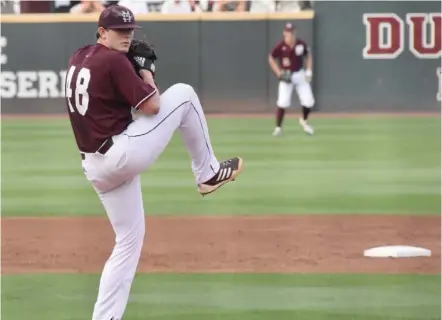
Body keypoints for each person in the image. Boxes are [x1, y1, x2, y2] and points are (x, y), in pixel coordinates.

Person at [64, 5, 244, 320]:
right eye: (120, 31)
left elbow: (109, 97)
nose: (127, 36)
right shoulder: (116, 61)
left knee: (128, 243)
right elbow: (153, 105)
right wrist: (146, 71)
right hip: (120, 155)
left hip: (95, 166)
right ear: (102, 32)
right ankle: (208, 172)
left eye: (130, 30)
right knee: (185, 95)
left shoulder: (80, 56)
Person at [268, 22, 315, 136]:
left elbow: (308, 55)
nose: (289, 35)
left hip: (299, 74)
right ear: (284, 33)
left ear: (294, 33)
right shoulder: (281, 46)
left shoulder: (300, 44)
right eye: (287, 32)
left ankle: (304, 121)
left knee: (308, 101)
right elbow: (271, 58)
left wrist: (309, 70)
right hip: (286, 75)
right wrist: (279, 73)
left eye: (291, 32)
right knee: (283, 102)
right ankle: (278, 127)